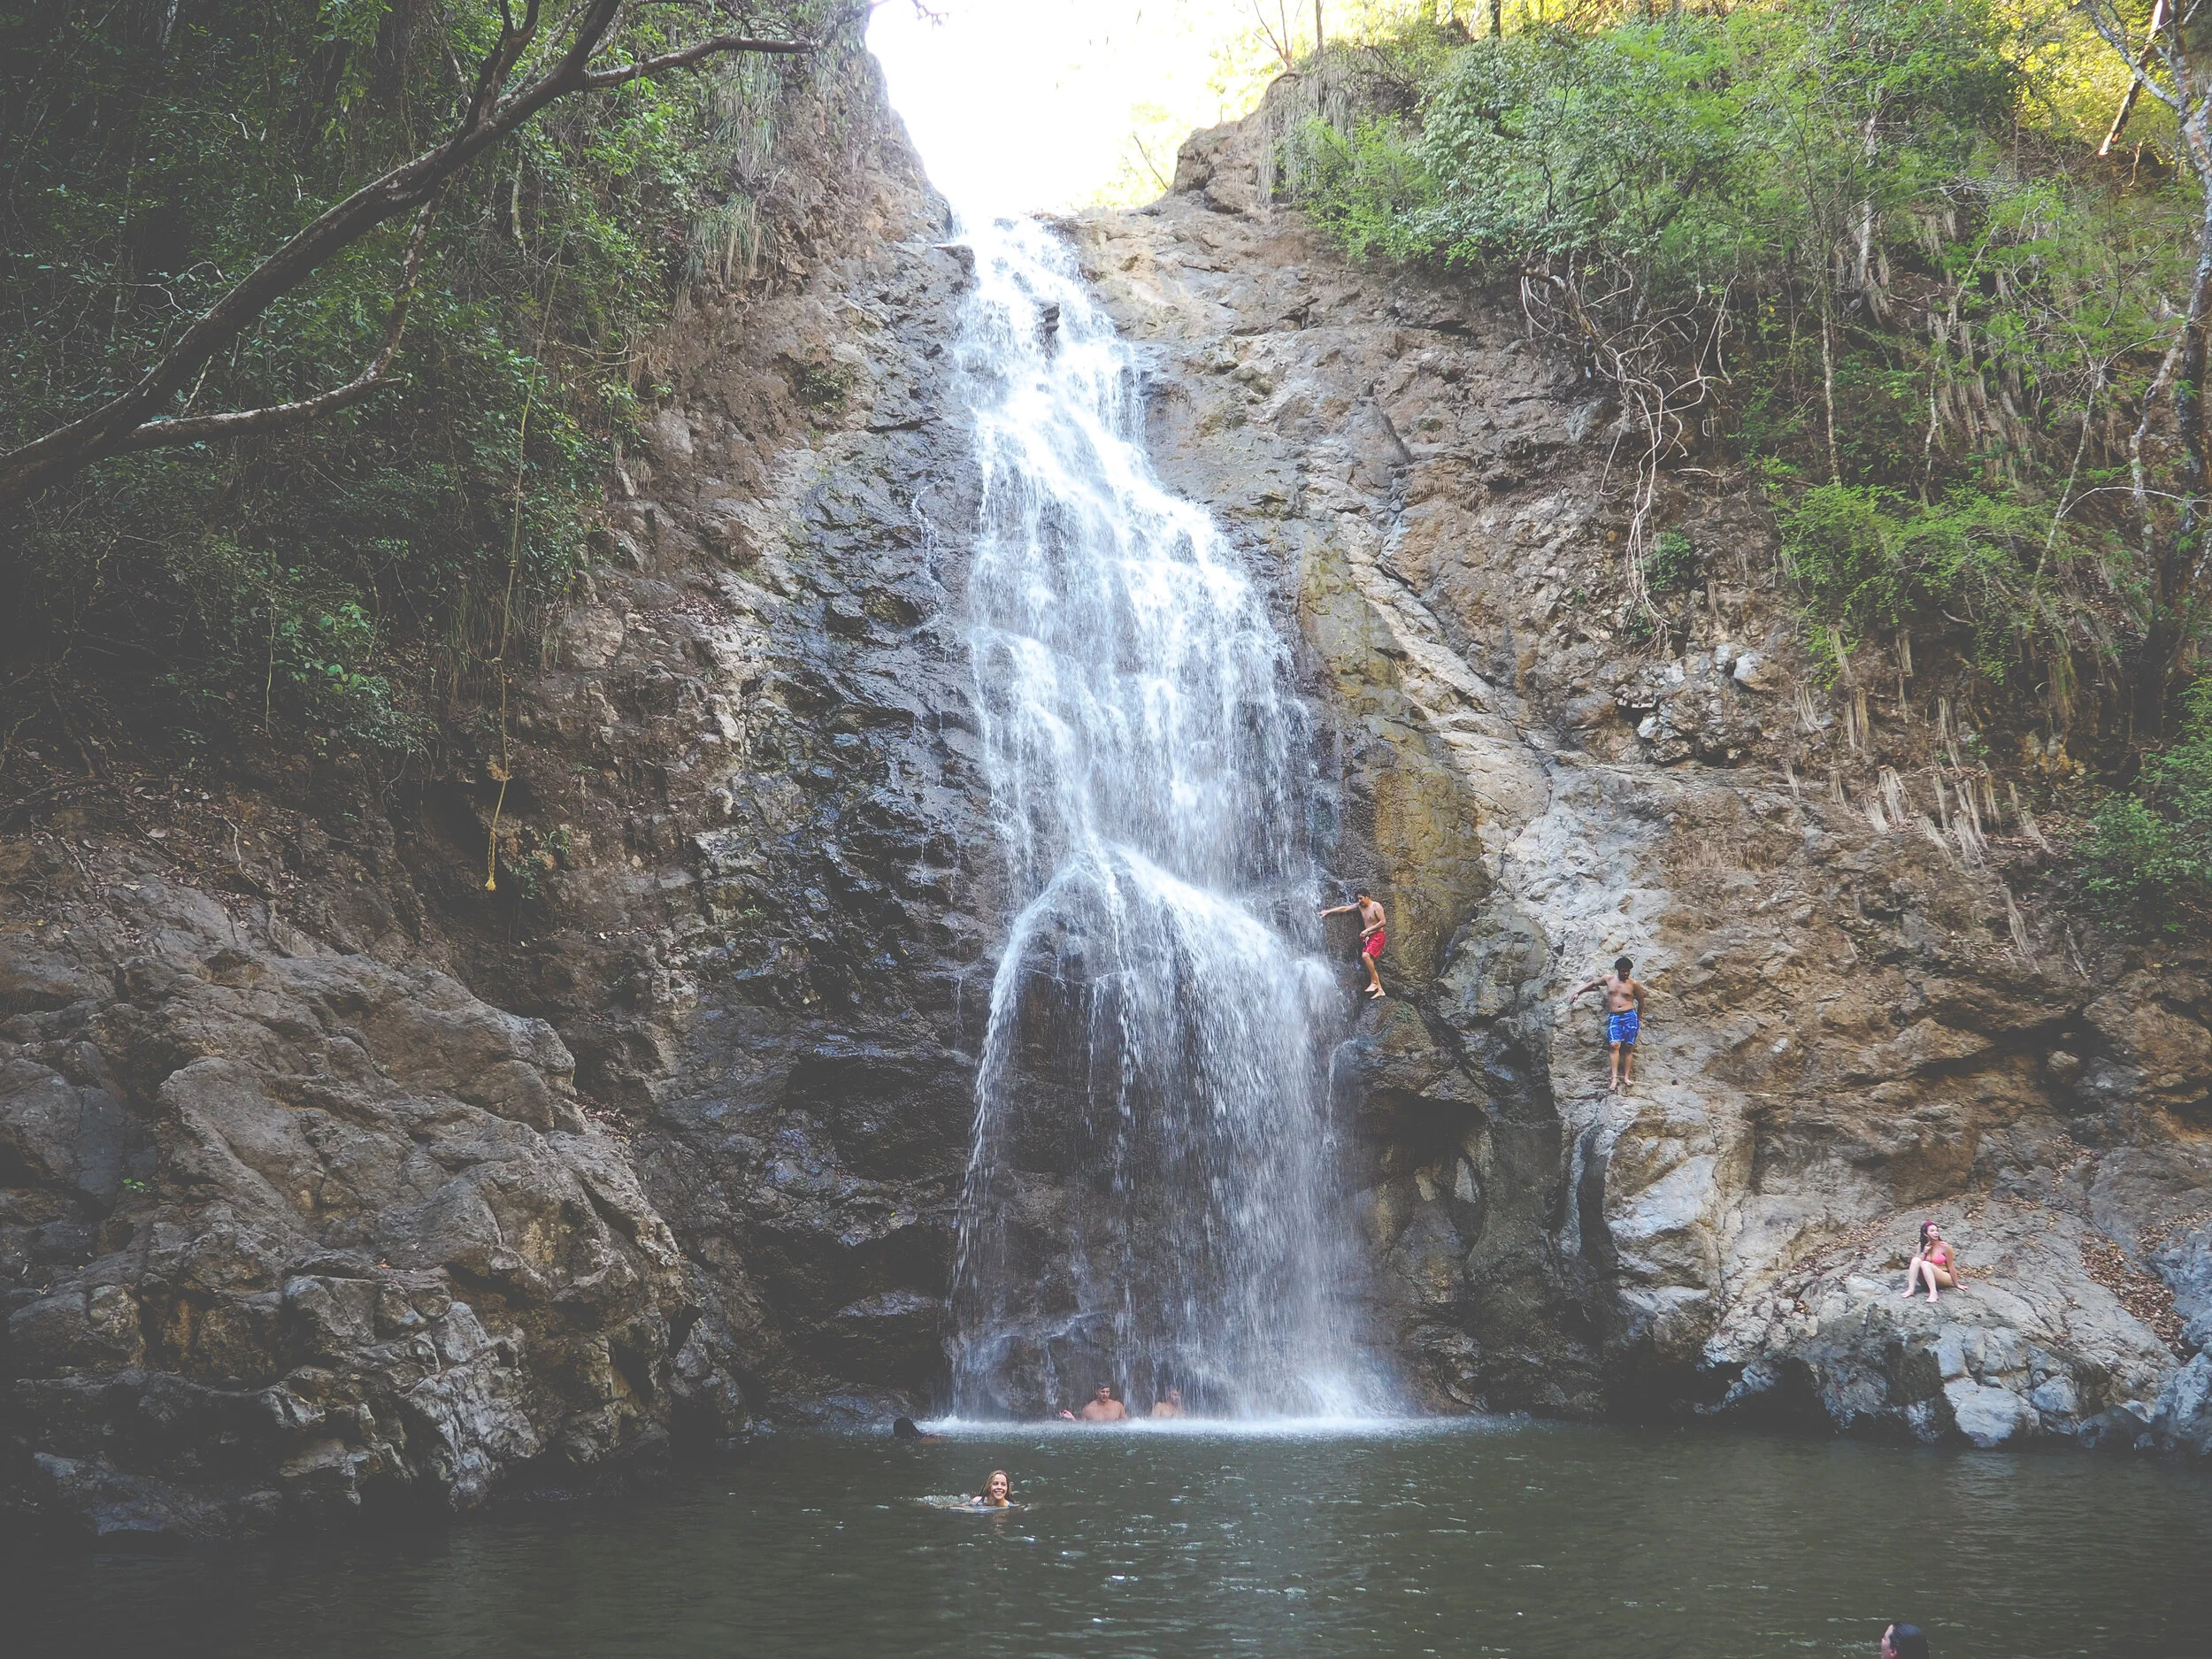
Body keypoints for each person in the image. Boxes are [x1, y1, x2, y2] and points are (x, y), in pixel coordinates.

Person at [1570, 956, 1647, 1094]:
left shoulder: (1633, 984)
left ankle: (1627, 1077)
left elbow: (1641, 1001)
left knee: (1629, 1046)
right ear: (1618, 970)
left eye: (1628, 971)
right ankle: (1614, 1078)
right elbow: (1594, 983)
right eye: (1623, 971)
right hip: (1615, 1016)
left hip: (1630, 1015)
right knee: (1614, 1045)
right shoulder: (1608, 979)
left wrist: (1639, 1018)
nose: (1626, 973)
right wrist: (1578, 992)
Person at [1320, 893, 1388, 1000]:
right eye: (1358, 899)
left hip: (1377, 936)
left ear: (1368, 896)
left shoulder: (1376, 906)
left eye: (1361, 898)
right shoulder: (1360, 906)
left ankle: (1375, 983)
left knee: (1365, 956)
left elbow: (1383, 922)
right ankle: (1380, 989)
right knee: (1369, 960)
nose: (1359, 901)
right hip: (1368, 938)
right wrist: (1328, 911)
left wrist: (1367, 930)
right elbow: (1345, 908)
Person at [1902, 1222, 1959, 1303]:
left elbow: (1951, 1266)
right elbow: (1917, 1263)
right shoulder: (1921, 1245)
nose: (1936, 1233)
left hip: (1943, 1277)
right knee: (1915, 1260)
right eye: (1932, 1231)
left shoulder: (1944, 1246)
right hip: (1926, 1279)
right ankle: (1911, 1290)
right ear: (1925, 1234)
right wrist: (1924, 1252)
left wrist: (1957, 1284)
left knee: (1925, 1263)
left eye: (1936, 1231)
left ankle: (1934, 1293)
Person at [1059, 1382, 1128, 1422]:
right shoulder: (1088, 1409)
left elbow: (1126, 1422)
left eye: (1107, 1392)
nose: (1105, 1394)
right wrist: (1072, 1419)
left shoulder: (1118, 1406)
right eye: (1103, 1392)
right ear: (1096, 1392)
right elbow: (1082, 1427)